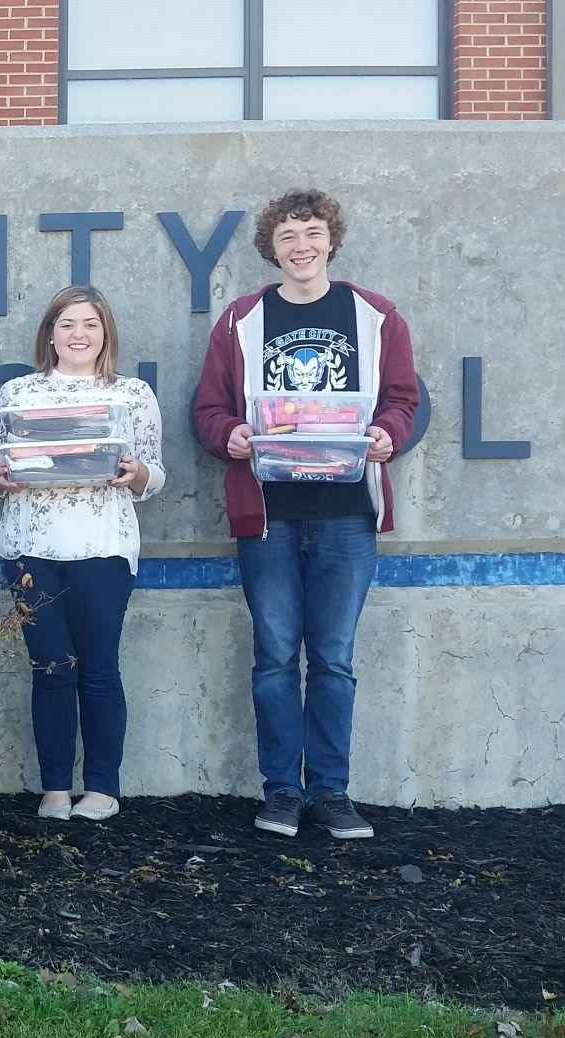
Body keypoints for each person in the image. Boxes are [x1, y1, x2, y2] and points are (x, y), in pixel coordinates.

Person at [191, 188, 420, 840]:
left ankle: (330, 793)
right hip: (268, 515)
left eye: (312, 232)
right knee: (272, 659)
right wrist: (229, 434)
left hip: (348, 513)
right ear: (272, 247)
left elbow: (404, 400)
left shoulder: (375, 317)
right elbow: (207, 410)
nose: (301, 245)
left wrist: (387, 434)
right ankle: (281, 793)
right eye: (288, 235)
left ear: (330, 240)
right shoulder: (241, 320)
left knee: (334, 660)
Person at [0, 286, 164, 824]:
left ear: (105, 332)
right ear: (50, 334)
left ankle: (102, 787)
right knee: (51, 670)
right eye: (66, 324)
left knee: (100, 670)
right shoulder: (18, 393)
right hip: (31, 548)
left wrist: (137, 475)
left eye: (89, 323)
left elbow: (156, 470)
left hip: (102, 547)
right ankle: (55, 787)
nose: (77, 334)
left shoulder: (132, 394)